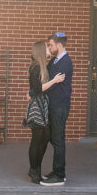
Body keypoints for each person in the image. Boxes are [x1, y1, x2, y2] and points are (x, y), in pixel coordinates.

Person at [26, 40, 64, 184]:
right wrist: (54, 80)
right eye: (46, 47)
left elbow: (34, 89)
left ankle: (36, 169)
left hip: (43, 104)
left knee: (45, 137)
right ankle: (33, 170)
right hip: (38, 106)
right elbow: (38, 89)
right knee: (37, 139)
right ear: (41, 51)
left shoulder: (42, 66)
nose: (49, 49)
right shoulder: (35, 67)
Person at [40, 31, 73, 186]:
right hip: (54, 105)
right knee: (54, 139)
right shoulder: (54, 60)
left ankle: (59, 175)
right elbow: (45, 75)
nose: (50, 47)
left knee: (58, 140)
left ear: (59, 45)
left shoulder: (65, 62)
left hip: (59, 106)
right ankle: (58, 170)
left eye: (51, 45)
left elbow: (51, 83)